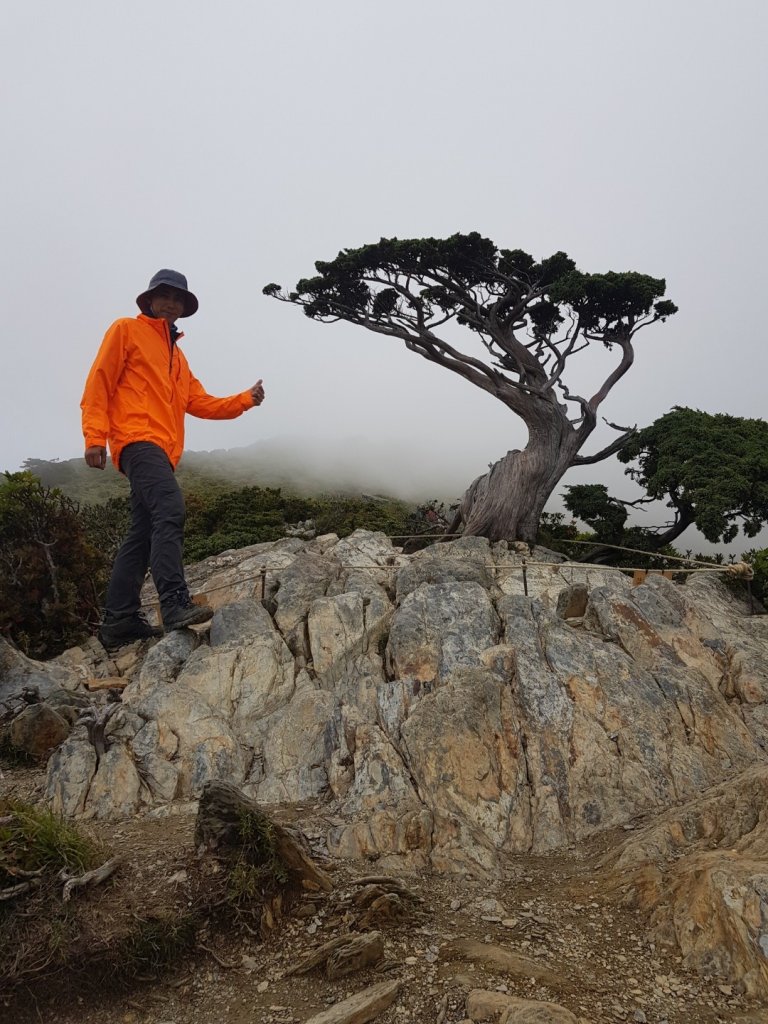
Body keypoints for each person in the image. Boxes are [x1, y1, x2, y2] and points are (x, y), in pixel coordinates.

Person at [81, 269, 265, 649]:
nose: (171, 303)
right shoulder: (126, 330)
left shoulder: (177, 358)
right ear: (149, 300)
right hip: (136, 440)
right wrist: (94, 435)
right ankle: (175, 602)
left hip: (162, 452)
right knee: (171, 508)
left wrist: (244, 400)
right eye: (164, 295)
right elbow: (100, 380)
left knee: (142, 533)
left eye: (178, 298)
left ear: (183, 308)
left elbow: (199, 402)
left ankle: (119, 622)